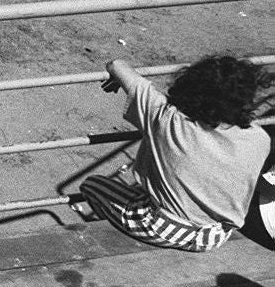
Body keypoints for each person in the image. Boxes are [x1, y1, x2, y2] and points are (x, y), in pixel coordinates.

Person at [79, 57, 271, 252]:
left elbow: (116, 65)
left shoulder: (168, 118)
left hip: (165, 228)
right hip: (215, 234)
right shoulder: (259, 138)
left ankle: (116, 237)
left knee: (92, 184)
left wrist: (119, 78)